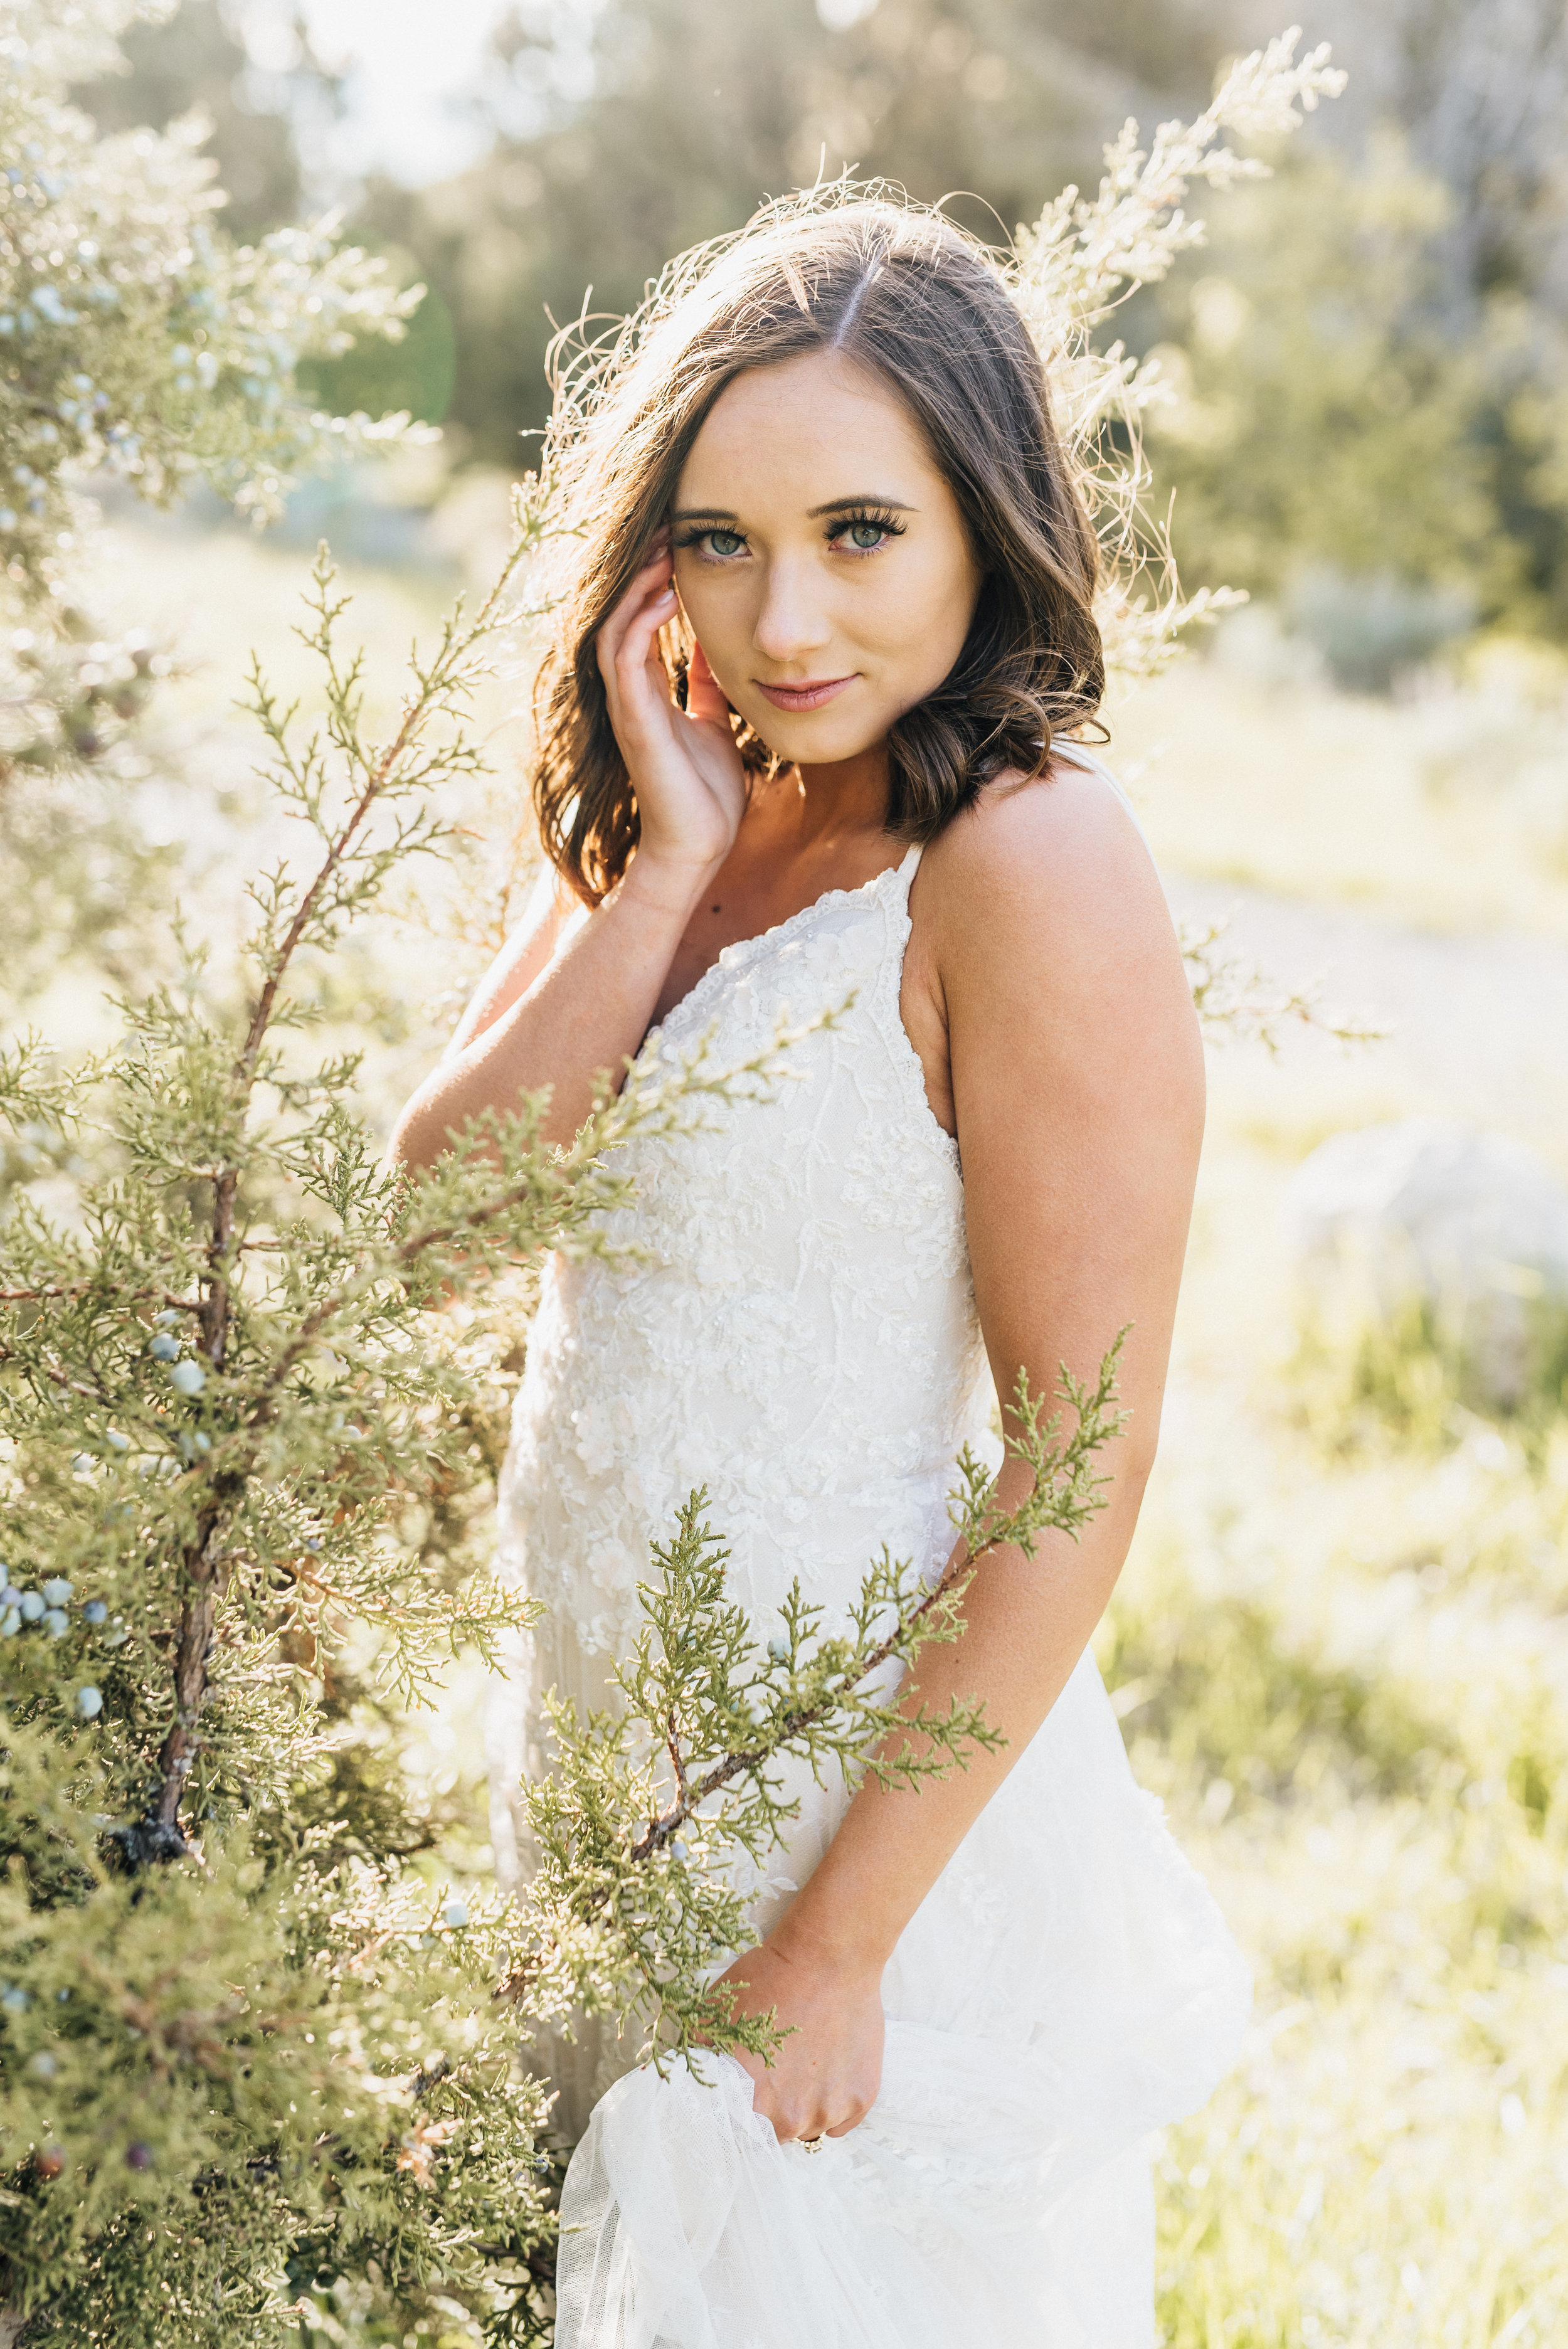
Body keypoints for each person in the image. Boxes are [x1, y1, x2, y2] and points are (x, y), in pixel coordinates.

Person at [391, 194, 1249, 2349]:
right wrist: (662, 868)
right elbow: (427, 1229)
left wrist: (836, 1942)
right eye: (717, 538)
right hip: (597, 1755)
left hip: (845, 1807)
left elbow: (1081, 1453)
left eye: (859, 531)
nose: (783, 617)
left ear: (987, 524)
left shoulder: (1029, 861)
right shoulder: (682, 802)